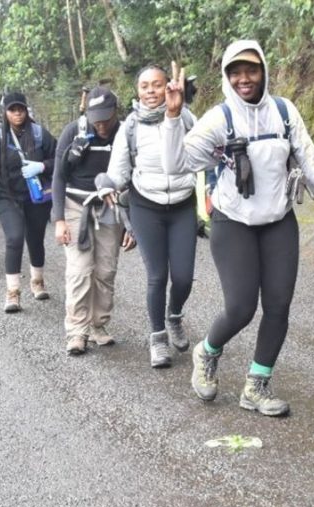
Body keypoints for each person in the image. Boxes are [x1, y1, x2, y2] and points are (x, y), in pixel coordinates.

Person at [162, 40, 314, 416]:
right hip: (233, 222)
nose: (243, 79)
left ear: (264, 70)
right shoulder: (220, 119)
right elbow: (177, 164)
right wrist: (172, 118)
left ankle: (256, 385)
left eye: (250, 69)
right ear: (226, 77)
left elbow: (312, 162)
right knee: (240, 307)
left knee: (279, 306)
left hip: (279, 221)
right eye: (235, 72)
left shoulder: (284, 112)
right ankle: (207, 352)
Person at [106, 66, 201, 367]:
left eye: (156, 85)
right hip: (146, 205)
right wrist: (106, 186)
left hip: (183, 204)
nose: (150, 91)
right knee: (157, 275)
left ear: (168, 87)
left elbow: (205, 152)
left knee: (184, 277)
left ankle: (174, 316)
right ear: (137, 91)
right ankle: (157, 337)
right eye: (144, 86)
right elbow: (117, 171)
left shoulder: (186, 117)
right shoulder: (130, 127)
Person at [53, 87, 135, 355]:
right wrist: (59, 220)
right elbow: (58, 177)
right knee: (79, 270)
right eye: (95, 119)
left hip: (110, 205)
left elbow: (135, 177)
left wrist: (131, 222)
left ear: (116, 113)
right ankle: (77, 331)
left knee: (106, 270)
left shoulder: (125, 134)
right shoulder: (73, 132)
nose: (100, 124)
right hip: (76, 205)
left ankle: (99, 325)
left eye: (106, 119)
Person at [0, 92, 57, 313]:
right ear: (5, 112)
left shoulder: (40, 134)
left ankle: (37, 280)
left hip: (36, 196)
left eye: (20, 109)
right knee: (14, 238)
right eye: (12, 110)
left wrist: (42, 167)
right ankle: (13, 292)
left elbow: (59, 158)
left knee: (36, 238)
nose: (17, 113)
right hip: (7, 196)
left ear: (26, 109)